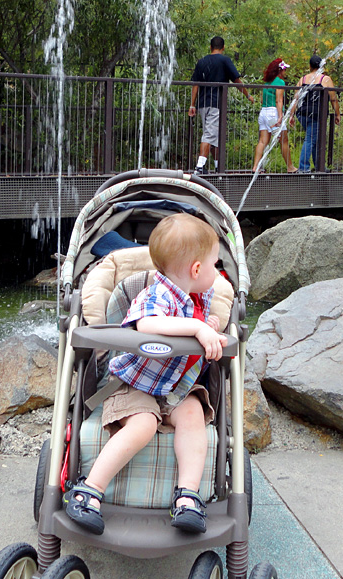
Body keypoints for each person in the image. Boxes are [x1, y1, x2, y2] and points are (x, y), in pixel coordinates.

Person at [63, 213, 228, 536]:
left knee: (194, 413)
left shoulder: (201, 299)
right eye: (214, 266)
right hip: (133, 385)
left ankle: (188, 496)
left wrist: (211, 328)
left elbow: (204, 323)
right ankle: (89, 490)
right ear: (197, 269)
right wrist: (195, 328)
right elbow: (149, 325)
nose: (218, 273)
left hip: (177, 389)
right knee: (144, 423)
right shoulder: (156, 293)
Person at [189, 36, 254, 175]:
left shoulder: (202, 61)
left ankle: (218, 166)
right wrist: (247, 95)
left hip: (202, 104)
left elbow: (195, 84)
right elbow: (236, 80)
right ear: (223, 47)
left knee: (215, 135)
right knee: (209, 134)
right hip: (216, 103)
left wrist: (192, 105)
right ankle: (199, 167)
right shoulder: (225, 61)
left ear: (210, 47)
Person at [289, 54, 341, 173]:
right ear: (321, 66)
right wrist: (337, 113)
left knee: (314, 139)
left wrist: (291, 115)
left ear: (310, 66)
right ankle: (303, 167)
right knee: (310, 139)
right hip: (317, 115)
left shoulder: (302, 79)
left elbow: (295, 99)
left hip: (302, 114)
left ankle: (319, 166)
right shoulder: (325, 79)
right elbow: (333, 98)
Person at [252, 58, 296, 173]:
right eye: (284, 69)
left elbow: (262, 99)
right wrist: (280, 116)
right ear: (280, 70)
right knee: (284, 140)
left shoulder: (267, 82)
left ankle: (255, 166)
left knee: (262, 141)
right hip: (273, 113)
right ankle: (290, 167)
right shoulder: (279, 82)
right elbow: (279, 100)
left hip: (263, 112)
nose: (285, 72)